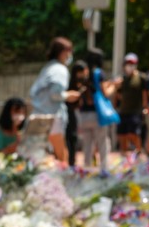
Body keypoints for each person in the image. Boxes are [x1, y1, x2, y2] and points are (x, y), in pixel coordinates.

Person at [30, 37, 81, 165]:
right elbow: (55, 93)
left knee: (40, 156)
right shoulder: (60, 70)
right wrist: (68, 95)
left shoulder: (47, 68)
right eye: (69, 51)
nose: (70, 55)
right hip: (53, 117)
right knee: (61, 154)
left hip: (38, 114)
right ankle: (63, 180)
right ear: (63, 52)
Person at [75, 47, 115, 169]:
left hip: (83, 115)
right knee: (102, 143)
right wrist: (114, 86)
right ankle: (104, 170)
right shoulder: (99, 73)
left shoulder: (84, 72)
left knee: (87, 145)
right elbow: (105, 93)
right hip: (97, 114)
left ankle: (86, 169)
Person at [115, 53, 146, 154]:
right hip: (123, 110)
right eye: (128, 63)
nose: (129, 66)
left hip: (136, 111)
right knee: (122, 134)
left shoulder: (141, 78)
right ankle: (124, 155)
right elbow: (118, 95)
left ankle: (138, 151)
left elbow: (144, 93)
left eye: (132, 63)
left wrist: (145, 108)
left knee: (133, 133)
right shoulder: (122, 79)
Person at [65, 60, 87, 164]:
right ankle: (70, 161)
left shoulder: (83, 82)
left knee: (74, 138)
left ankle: (72, 161)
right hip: (69, 113)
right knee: (70, 137)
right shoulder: (70, 83)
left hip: (76, 113)